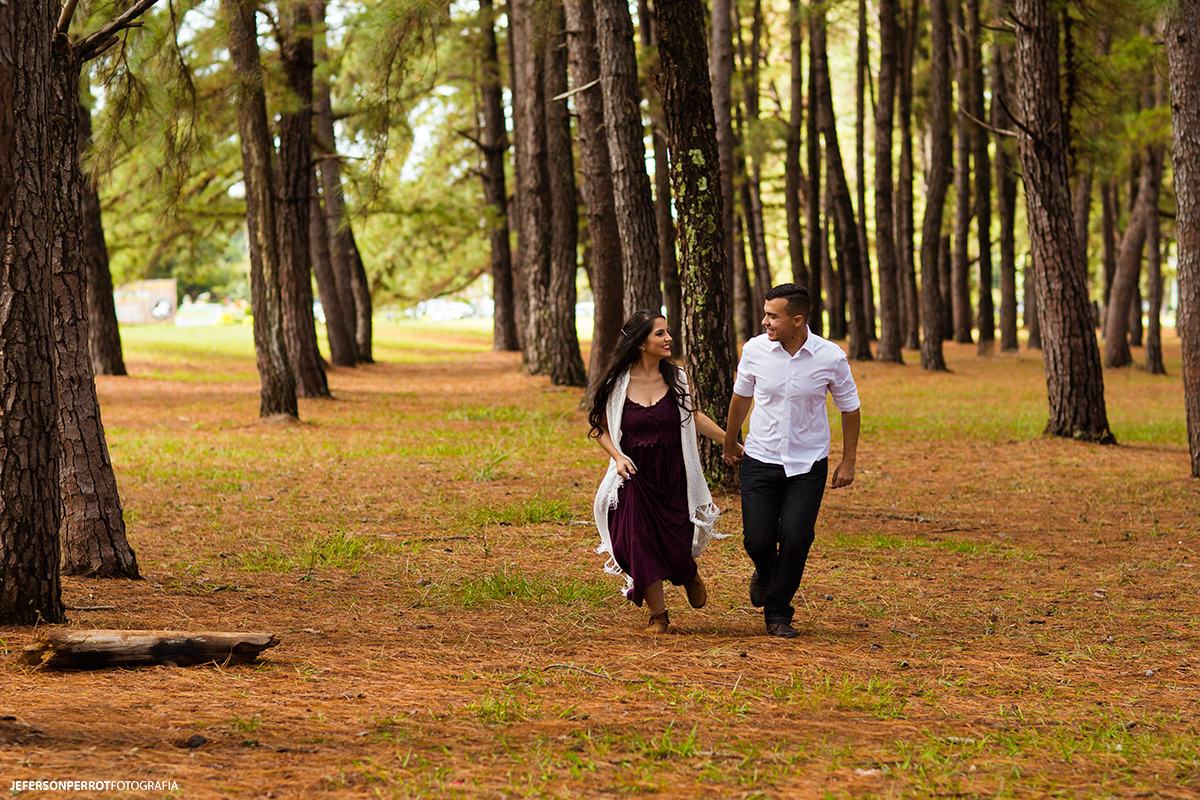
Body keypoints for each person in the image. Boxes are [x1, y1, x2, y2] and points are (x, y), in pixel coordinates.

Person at [722, 283, 861, 638]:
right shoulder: (754, 350)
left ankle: (778, 611)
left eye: (773, 316)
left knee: (796, 537)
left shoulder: (830, 357)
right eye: (765, 314)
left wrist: (848, 461)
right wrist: (730, 441)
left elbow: (849, 408)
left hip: (808, 463)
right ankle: (766, 571)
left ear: (797, 320)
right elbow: (741, 398)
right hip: (760, 457)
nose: (765, 322)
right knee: (758, 540)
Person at [589, 310, 734, 634]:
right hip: (634, 475)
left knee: (676, 544)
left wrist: (730, 441)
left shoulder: (677, 377)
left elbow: (693, 417)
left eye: (667, 332)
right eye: (660, 333)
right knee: (637, 540)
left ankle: (687, 572)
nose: (668, 338)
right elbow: (599, 428)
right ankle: (659, 617)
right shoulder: (616, 382)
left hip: (673, 474)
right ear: (641, 343)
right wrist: (617, 458)